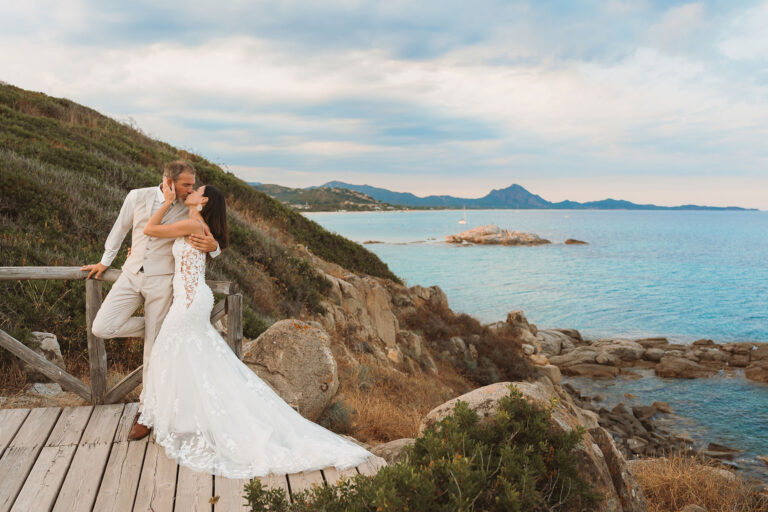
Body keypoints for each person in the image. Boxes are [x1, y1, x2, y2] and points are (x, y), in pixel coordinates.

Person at [137, 180, 375, 478]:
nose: (191, 191)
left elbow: (150, 229)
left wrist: (165, 201)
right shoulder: (198, 225)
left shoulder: (193, 226)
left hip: (188, 303)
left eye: (196, 191)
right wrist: (213, 248)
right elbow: (209, 248)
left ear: (204, 201)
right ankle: (185, 417)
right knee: (192, 359)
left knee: (168, 354)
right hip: (191, 300)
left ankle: (182, 418)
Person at [81, 160, 221, 440]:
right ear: (168, 181)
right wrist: (105, 261)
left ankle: (145, 414)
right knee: (102, 327)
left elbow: (211, 234)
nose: (189, 189)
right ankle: (164, 328)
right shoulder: (137, 196)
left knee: (152, 352)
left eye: (193, 185)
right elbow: (120, 230)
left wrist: (215, 248)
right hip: (131, 275)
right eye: (185, 184)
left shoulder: (190, 206)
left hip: (162, 282)